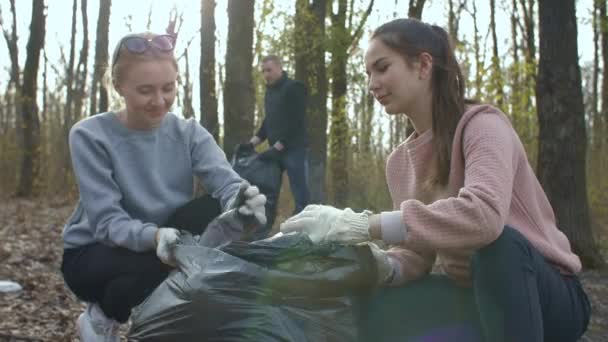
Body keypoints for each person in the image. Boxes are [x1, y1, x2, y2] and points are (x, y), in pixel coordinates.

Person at [280, 18, 591, 342]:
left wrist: (363, 224)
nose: (372, 83)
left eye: (382, 67)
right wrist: (375, 265)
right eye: (368, 73)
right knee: (375, 301)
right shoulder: (399, 162)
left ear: (423, 64)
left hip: (552, 298)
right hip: (474, 296)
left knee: (499, 246)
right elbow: (416, 255)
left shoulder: (483, 126)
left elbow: (483, 217)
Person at [60, 32, 267, 341]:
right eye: (145, 90)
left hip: (163, 245)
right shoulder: (90, 136)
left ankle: (112, 309)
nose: (159, 101)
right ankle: (103, 316)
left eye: (168, 88)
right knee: (167, 259)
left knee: (209, 211)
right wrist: (155, 236)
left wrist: (244, 201)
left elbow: (226, 183)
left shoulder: (189, 133)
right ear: (119, 87)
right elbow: (106, 223)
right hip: (95, 255)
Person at [249, 55, 310, 216]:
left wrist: (281, 143)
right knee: (268, 193)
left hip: (294, 149)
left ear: (279, 68)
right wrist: (252, 143)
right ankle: (263, 230)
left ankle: (303, 231)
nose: (266, 75)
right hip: (275, 152)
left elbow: (297, 120)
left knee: (300, 193)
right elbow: (268, 122)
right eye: (263, 71)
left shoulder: (294, 87)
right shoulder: (269, 93)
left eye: (269, 70)